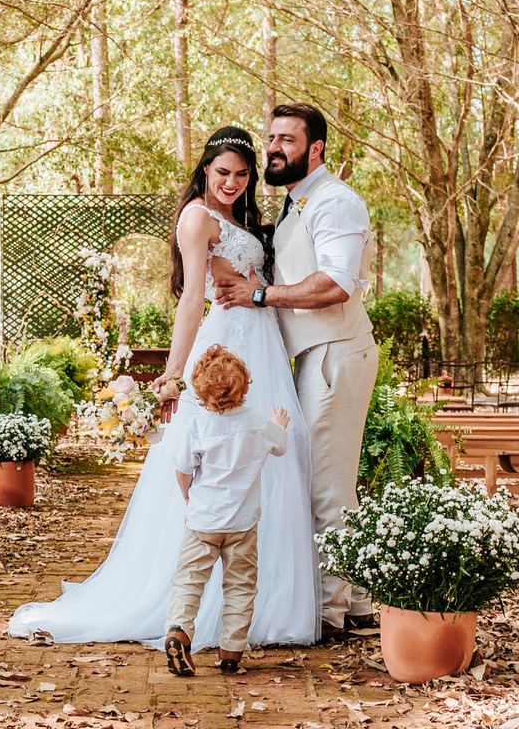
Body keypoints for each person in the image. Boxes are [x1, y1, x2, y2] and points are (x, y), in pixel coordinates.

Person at [7, 126, 319, 650]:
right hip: (228, 343)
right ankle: (202, 604)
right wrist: (174, 375)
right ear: (205, 169)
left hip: (261, 343)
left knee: (268, 453)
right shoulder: (196, 217)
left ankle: (267, 600)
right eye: (223, 172)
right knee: (219, 450)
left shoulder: (234, 217)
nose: (233, 183)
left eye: (243, 175)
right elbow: (192, 299)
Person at [216, 103, 379, 640]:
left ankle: (330, 614)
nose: (273, 148)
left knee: (325, 487)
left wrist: (260, 295)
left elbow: (337, 283)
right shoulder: (296, 203)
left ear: (316, 148)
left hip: (335, 352)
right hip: (313, 355)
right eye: (271, 138)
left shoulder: (335, 201)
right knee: (327, 481)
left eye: (287, 139)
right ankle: (356, 603)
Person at [163, 345, 291, 677]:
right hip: (242, 524)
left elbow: (183, 469)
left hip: (202, 522)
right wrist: (279, 424)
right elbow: (280, 446)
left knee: (189, 580)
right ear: (245, 386)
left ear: (200, 392)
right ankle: (231, 651)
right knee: (240, 586)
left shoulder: (198, 426)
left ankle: (179, 632)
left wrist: (188, 498)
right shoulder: (258, 423)